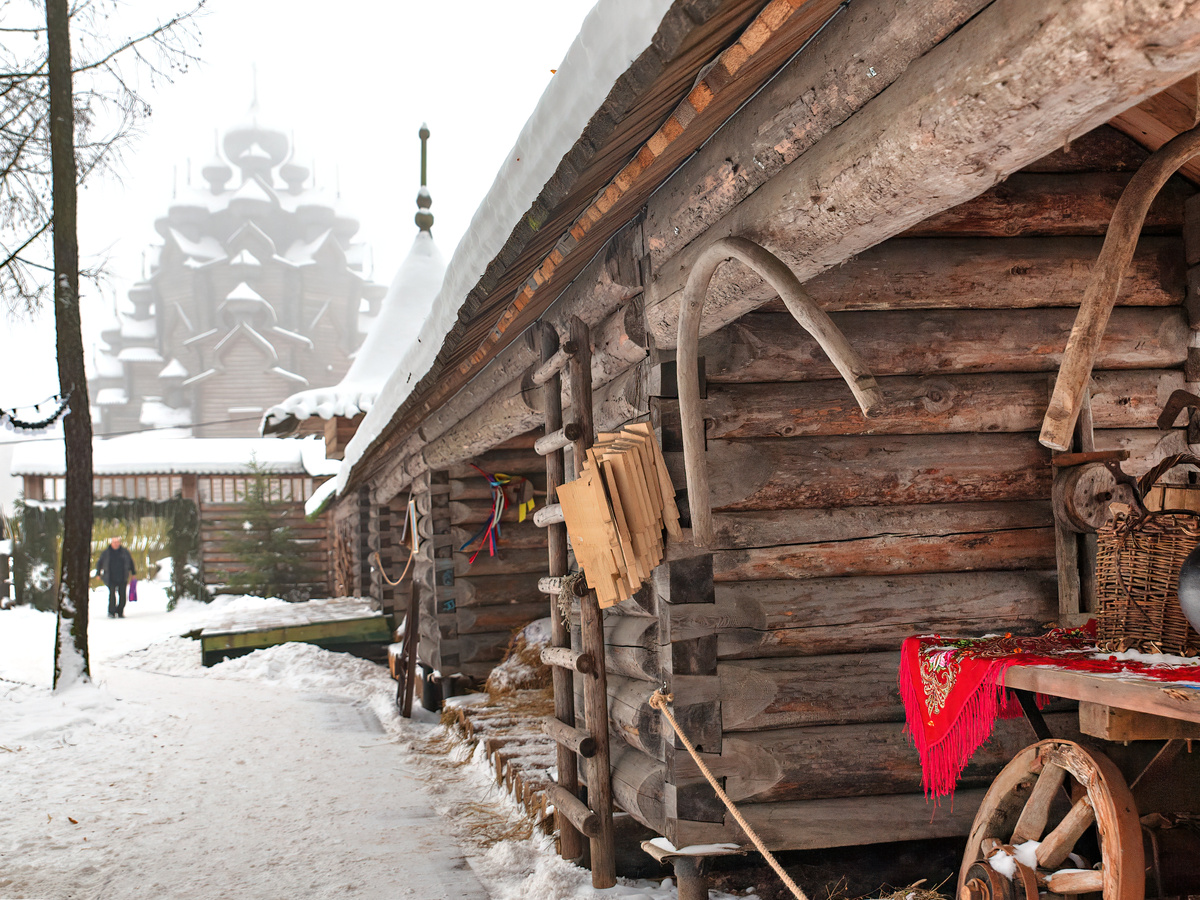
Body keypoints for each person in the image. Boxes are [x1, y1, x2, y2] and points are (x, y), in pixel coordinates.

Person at [95, 536, 136, 619]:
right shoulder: (106, 553)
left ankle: (120, 611)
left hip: (122, 576)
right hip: (110, 577)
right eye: (114, 542)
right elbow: (100, 563)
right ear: (111, 543)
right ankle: (111, 612)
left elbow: (130, 562)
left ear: (120, 543)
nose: (116, 544)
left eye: (117, 542)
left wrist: (133, 573)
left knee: (123, 596)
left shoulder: (124, 552)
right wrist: (98, 573)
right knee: (112, 595)